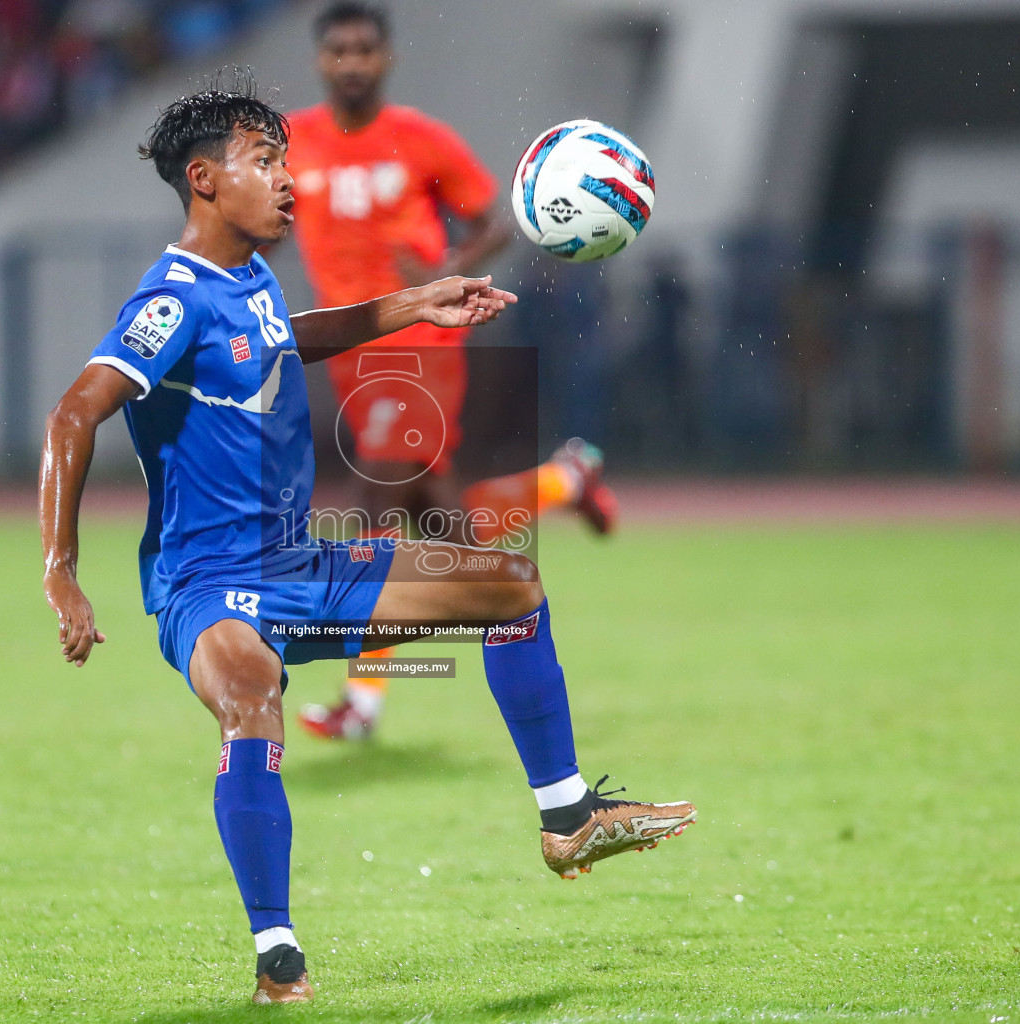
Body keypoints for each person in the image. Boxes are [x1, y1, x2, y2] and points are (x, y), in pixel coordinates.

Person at [38, 78, 695, 1006]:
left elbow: (279, 339)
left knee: (510, 586)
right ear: (204, 181)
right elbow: (74, 413)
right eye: (263, 162)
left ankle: (568, 815)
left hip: (303, 562)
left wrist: (412, 302)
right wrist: (62, 574)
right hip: (209, 584)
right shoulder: (173, 298)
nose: (286, 180)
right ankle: (278, 960)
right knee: (252, 699)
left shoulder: (248, 279)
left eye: (284, 160)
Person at [287, 1, 620, 741]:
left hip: (418, 350)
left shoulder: (420, 140)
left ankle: (361, 703)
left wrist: (449, 270)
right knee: (445, 525)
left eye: (364, 49)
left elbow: (494, 219)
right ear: (320, 61)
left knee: (370, 511)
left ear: (387, 59)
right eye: (338, 49)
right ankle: (564, 483)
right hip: (350, 355)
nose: (351, 62)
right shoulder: (296, 143)